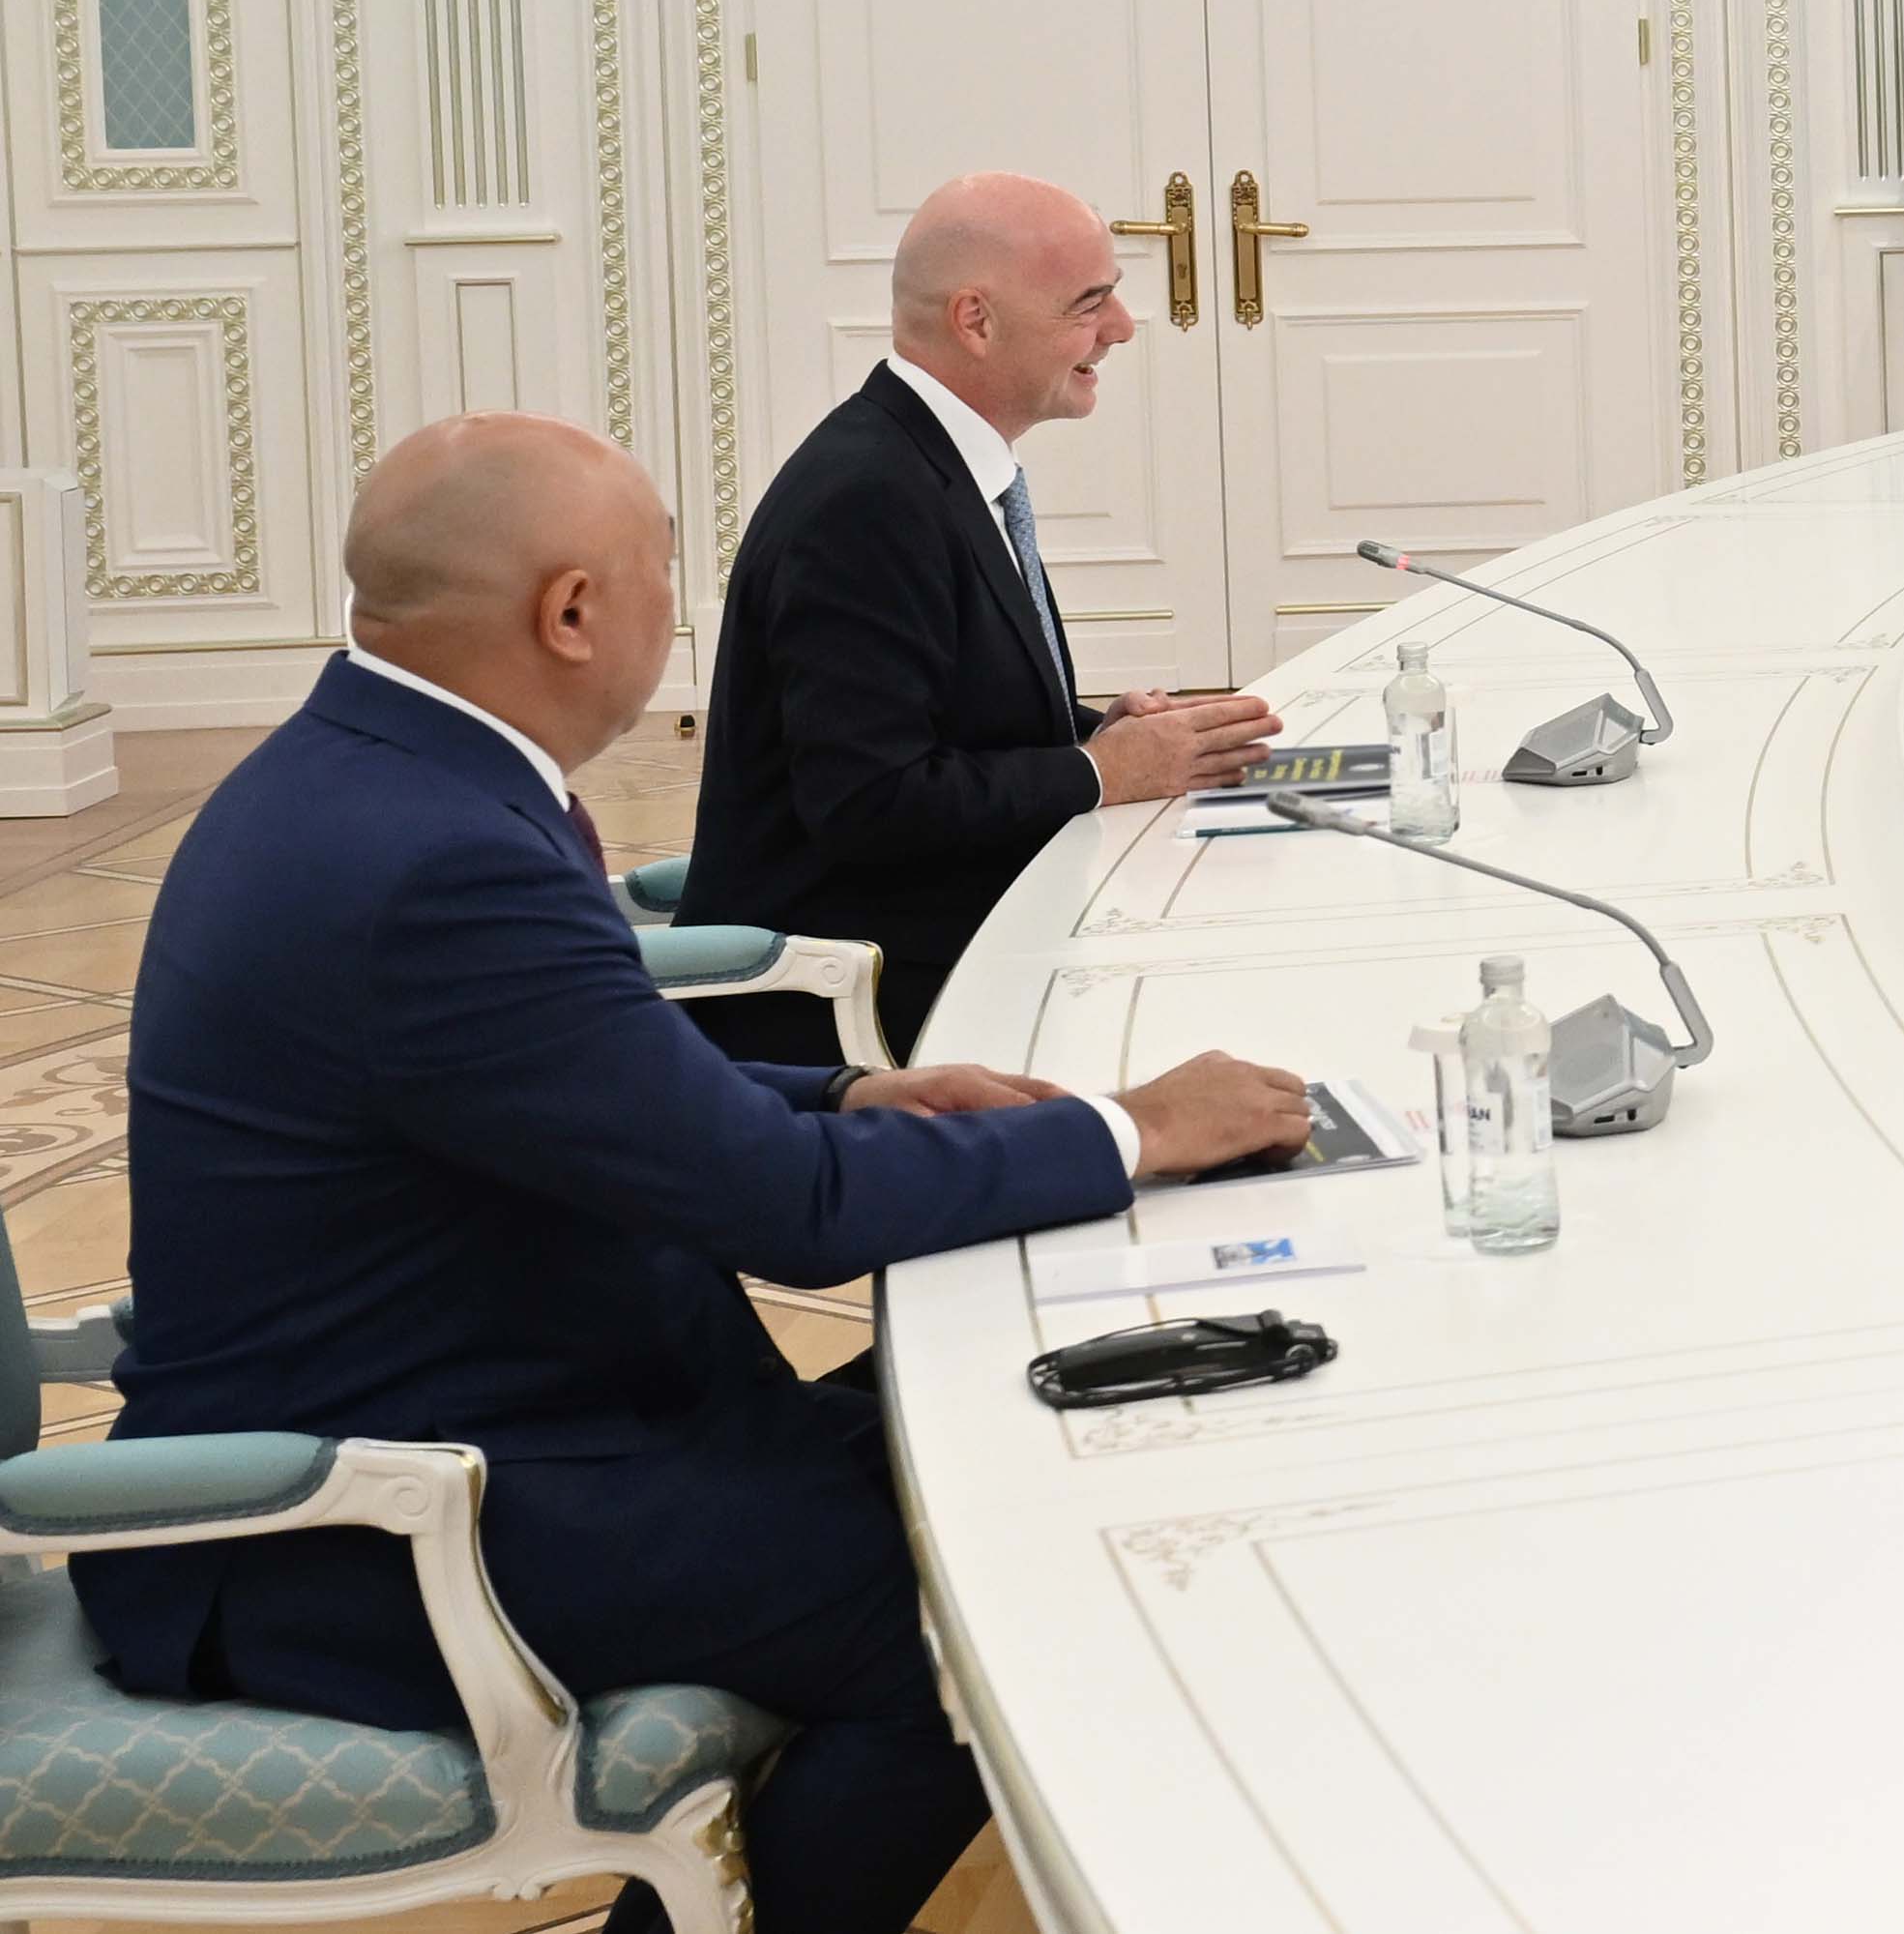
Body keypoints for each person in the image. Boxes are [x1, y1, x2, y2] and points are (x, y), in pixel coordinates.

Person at [94, 414, 1314, 1934]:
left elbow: (573, 1078)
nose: (681, 611)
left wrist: (854, 1085)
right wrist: (1135, 1129)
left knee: (1017, 1443)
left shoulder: (385, 771)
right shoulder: (431, 850)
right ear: (572, 610)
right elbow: (789, 1211)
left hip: (497, 1402)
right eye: (667, 571)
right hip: (367, 1517)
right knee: (981, 1610)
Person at [689, 173, 1278, 1059]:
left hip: (959, 939)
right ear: (976, 320)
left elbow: (945, 714)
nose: (1121, 327)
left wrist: (1096, 733)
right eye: (1091, 303)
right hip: (868, 1007)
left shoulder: (924, 460)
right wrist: (1096, 771)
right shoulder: (866, 500)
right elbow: (870, 802)